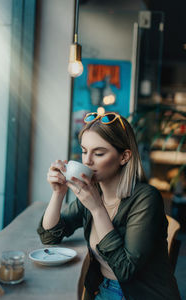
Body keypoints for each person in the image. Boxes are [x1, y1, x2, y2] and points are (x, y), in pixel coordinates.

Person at [37, 112, 181, 300]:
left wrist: (97, 208)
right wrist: (58, 193)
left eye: (98, 153)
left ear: (124, 157)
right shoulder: (94, 191)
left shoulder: (146, 199)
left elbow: (124, 270)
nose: (87, 161)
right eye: (83, 151)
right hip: (103, 288)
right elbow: (49, 237)